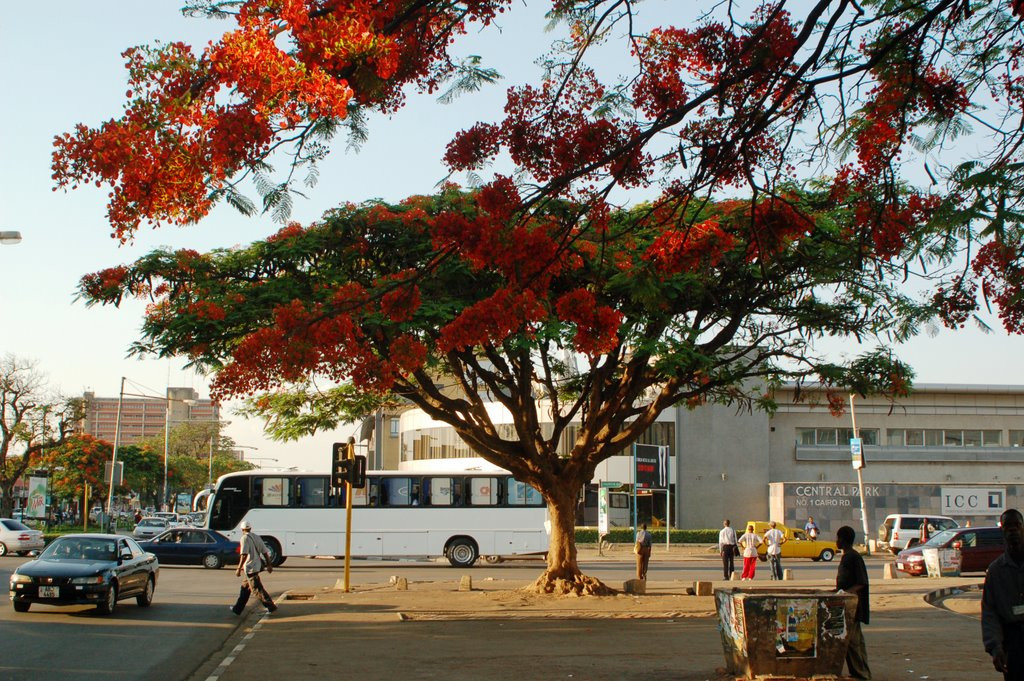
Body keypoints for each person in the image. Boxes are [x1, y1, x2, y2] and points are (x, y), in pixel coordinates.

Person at [982, 508, 1024, 680]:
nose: (1013, 530)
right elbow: (989, 612)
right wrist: (995, 648)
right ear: (1002, 531)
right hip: (1013, 645)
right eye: (1008, 526)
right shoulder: (996, 571)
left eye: (1017, 525)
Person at [836, 525, 871, 680]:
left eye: (838, 538)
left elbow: (861, 582)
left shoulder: (853, 557)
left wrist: (845, 594)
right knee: (853, 642)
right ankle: (860, 672)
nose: (836, 541)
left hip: (854, 607)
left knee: (853, 643)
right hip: (848, 605)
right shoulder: (847, 556)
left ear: (843, 540)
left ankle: (861, 674)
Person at [231, 520, 278, 615]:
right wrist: (269, 565)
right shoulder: (256, 537)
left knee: (257, 590)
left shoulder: (244, 538)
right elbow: (265, 552)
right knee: (245, 589)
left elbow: (244, 555)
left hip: (250, 567)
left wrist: (238, 568)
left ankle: (271, 606)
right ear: (250, 528)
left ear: (242, 529)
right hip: (256, 566)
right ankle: (237, 609)